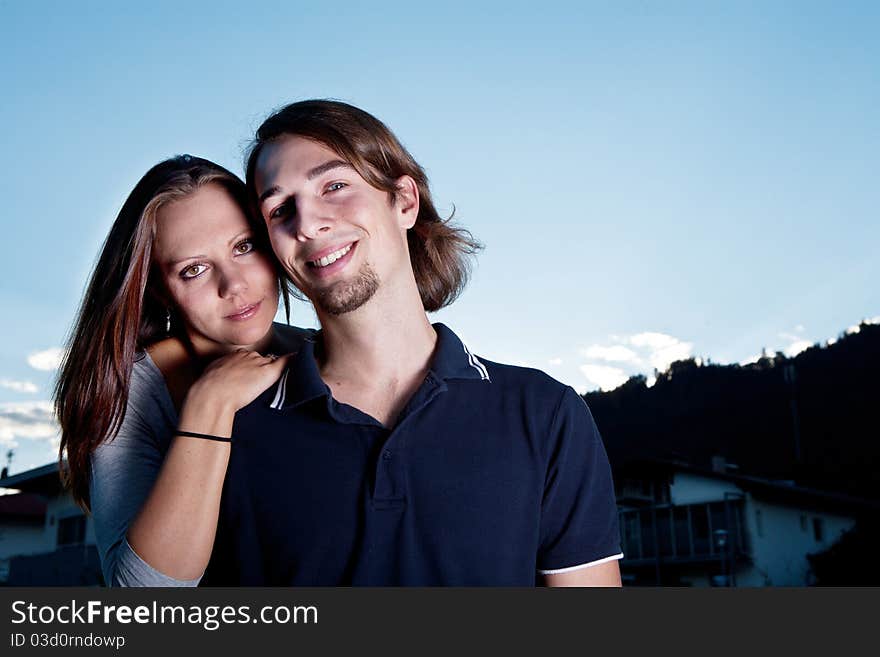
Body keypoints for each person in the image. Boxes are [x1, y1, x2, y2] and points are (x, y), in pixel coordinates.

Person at [203, 100, 622, 586]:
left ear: (404, 200)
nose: (307, 223)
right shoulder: (232, 428)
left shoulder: (544, 413)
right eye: (279, 209)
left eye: (334, 186)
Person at [54, 156, 312, 586]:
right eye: (194, 270)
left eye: (244, 246)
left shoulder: (321, 352)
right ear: (159, 288)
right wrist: (210, 405)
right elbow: (143, 597)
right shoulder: (133, 387)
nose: (234, 285)